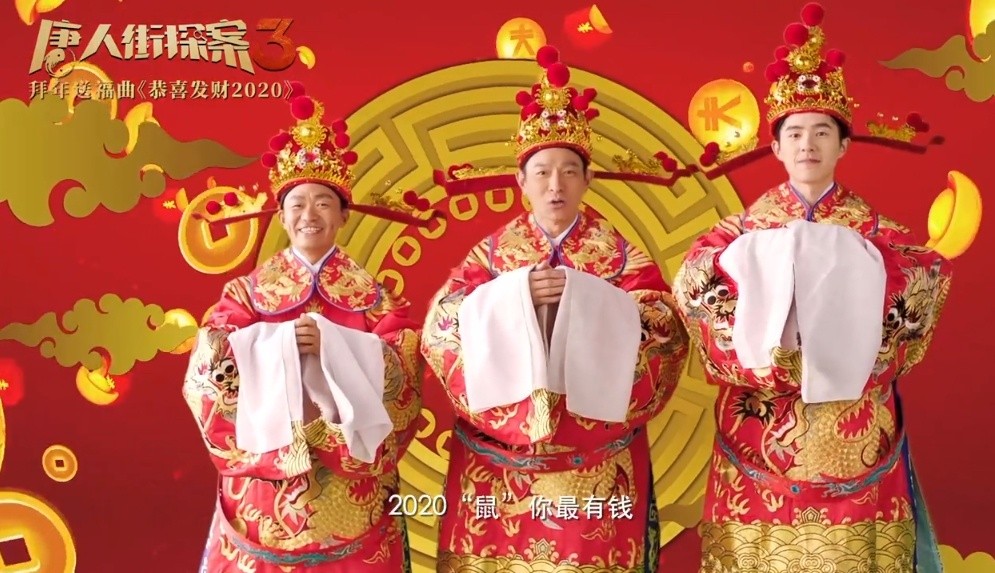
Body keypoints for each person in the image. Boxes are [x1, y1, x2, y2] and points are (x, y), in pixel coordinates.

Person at [671, 4, 952, 573]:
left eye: (822, 132)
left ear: (843, 145)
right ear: (776, 147)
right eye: (794, 133)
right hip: (758, 434)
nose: (807, 145)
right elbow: (695, 289)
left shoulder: (882, 239)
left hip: (856, 440)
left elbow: (923, 285)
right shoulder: (733, 237)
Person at [422, 45, 689, 572]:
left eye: (569, 171)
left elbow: (664, 327)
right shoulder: (489, 257)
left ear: (588, 180)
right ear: (521, 182)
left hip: (594, 462)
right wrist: (513, 295)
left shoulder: (622, 258)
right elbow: (441, 326)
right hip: (498, 463)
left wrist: (586, 299)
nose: (555, 185)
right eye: (541, 171)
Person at [182, 83, 441, 573]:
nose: (309, 215)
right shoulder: (245, 296)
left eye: (323, 202)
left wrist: (335, 350)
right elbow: (208, 370)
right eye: (297, 203)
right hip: (261, 499)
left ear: (343, 215)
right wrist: (279, 347)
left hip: (354, 498)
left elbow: (404, 376)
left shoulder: (378, 302)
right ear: (282, 216)